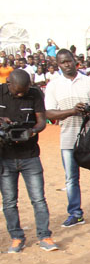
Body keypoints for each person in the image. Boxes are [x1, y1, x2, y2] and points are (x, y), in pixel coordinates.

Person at [44, 49, 90, 226]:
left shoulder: (89, 82)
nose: (67, 65)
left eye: (69, 61)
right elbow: (49, 113)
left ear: (74, 61)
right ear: (58, 64)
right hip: (68, 137)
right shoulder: (53, 86)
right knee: (71, 179)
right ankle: (76, 214)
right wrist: (72, 111)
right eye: (63, 62)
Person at [0, 69, 57, 253]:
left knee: (38, 199)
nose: (20, 94)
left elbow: (42, 121)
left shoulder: (34, 93)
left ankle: (44, 236)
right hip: (5, 157)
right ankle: (17, 238)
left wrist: (32, 131)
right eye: (17, 91)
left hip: (30, 155)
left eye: (24, 91)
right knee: (9, 201)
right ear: (9, 84)